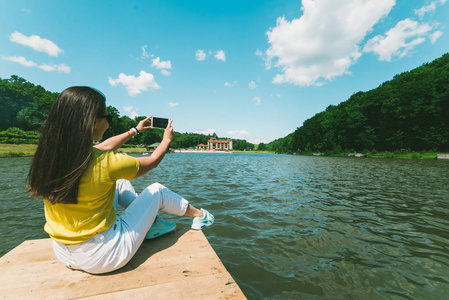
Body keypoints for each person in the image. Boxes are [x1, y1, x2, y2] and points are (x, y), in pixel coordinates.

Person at [28, 86, 214, 274]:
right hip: (104, 256)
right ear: (92, 122)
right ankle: (201, 216)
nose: (109, 122)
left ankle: (152, 224)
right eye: (108, 118)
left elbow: (106, 145)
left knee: (121, 182)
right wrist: (166, 140)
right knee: (157, 191)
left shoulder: (51, 157)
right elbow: (152, 161)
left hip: (64, 253)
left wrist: (135, 130)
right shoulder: (106, 162)